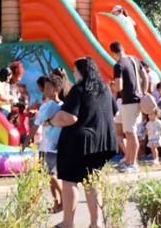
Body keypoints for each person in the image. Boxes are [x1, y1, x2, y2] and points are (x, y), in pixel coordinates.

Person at [49, 58, 119, 228]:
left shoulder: (79, 89)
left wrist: (51, 120)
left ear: (82, 71)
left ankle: (67, 223)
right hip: (101, 143)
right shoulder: (105, 89)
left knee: (70, 181)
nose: (73, 73)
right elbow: (114, 112)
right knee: (92, 180)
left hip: (77, 143)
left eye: (75, 70)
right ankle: (97, 223)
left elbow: (69, 117)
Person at [109, 40, 148, 172]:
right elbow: (145, 77)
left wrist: (111, 85)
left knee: (131, 133)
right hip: (137, 100)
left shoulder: (118, 65)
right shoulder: (134, 59)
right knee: (129, 132)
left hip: (129, 101)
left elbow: (119, 87)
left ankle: (133, 163)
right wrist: (144, 92)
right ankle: (128, 160)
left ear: (113, 53)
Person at [33, 75, 63, 213]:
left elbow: (40, 120)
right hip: (45, 145)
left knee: (52, 175)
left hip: (53, 146)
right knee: (48, 175)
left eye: (48, 88)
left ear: (57, 89)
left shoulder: (58, 106)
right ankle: (57, 203)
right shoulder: (47, 105)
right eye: (44, 88)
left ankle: (64, 199)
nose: (44, 90)